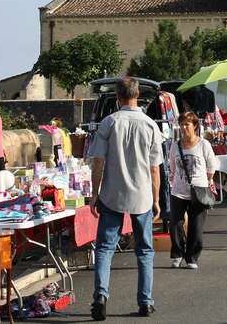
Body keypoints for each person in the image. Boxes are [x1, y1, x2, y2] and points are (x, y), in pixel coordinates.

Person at [88, 77, 163, 320]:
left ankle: (100, 295)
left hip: (113, 193)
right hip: (141, 194)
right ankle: (146, 301)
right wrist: (156, 198)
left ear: (118, 97)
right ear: (138, 94)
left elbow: (98, 161)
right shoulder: (151, 125)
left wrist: (94, 193)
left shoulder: (108, 123)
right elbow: (154, 168)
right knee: (144, 250)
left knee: (105, 248)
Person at [168, 112, 217, 269]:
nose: (183, 127)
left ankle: (192, 257)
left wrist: (207, 179)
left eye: (187, 124)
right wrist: (173, 180)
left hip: (199, 190)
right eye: (181, 124)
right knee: (175, 223)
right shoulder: (175, 145)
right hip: (178, 190)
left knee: (196, 226)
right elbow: (172, 166)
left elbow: (212, 166)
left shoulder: (203, 144)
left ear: (195, 126)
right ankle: (177, 253)